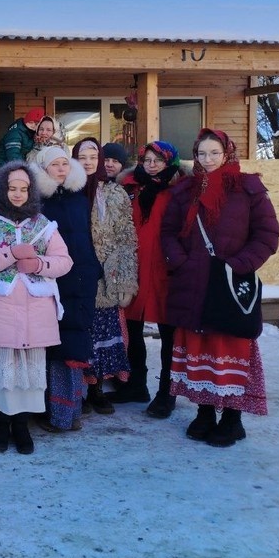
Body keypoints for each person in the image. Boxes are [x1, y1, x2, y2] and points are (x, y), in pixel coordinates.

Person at [161, 129, 279, 447]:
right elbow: (169, 231)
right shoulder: (186, 190)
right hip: (193, 283)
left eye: (214, 153)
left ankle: (231, 419)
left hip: (228, 283)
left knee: (228, 348)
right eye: (202, 154)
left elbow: (267, 235)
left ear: (227, 153)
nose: (208, 160)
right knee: (199, 348)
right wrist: (180, 260)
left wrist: (237, 265)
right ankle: (204, 412)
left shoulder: (248, 188)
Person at [0, 161, 72, 454]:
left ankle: (22, 426)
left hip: (36, 308)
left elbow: (64, 261)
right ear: (2, 189)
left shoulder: (42, 224)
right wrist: (10, 253)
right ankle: (2, 425)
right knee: (3, 373)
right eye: (11, 188)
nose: (17, 194)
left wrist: (39, 264)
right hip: (1, 307)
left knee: (29, 373)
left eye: (23, 189)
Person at [109, 141, 185, 415]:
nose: (152, 164)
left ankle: (167, 393)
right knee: (131, 328)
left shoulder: (180, 190)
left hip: (166, 271)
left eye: (158, 159)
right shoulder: (130, 187)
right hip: (135, 268)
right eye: (147, 159)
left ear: (169, 162)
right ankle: (136, 384)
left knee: (169, 335)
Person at [30, 147, 100, 432]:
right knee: (53, 346)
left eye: (64, 164)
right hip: (51, 279)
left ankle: (71, 411)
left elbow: (88, 235)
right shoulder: (38, 200)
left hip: (81, 276)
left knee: (74, 345)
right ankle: (57, 412)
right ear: (44, 169)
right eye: (55, 165)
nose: (61, 169)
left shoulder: (79, 198)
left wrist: (92, 269)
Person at [72, 139, 137, 415]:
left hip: (105, 273)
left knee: (102, 333)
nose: (88, 162)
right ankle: (79, 391)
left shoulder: (114, 194)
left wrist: (124, 278)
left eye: (93, 156)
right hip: (75, 275)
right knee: (79, 334)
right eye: (82, 157)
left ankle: (97, 389)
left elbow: (126, 237)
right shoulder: (68, 191)